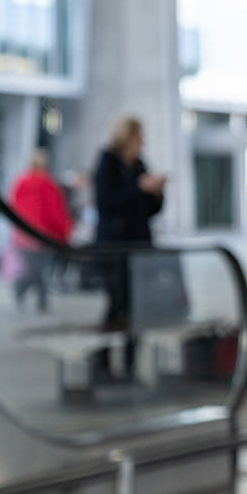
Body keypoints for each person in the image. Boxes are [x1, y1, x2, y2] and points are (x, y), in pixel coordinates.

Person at [93, 116, 165, 378]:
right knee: (117, 304)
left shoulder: (139, 165)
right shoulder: (108, 162)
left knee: (137, 306)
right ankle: (103, 361)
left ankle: (130, 364)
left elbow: (149, 210)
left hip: (139, 247)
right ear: (127, 136)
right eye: (138, 135)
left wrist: (157, 194)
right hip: (114, 248)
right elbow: (106, 202)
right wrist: (138, 188)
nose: (142, 141)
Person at [7, 148, 73, 312]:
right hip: (42, 237)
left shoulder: (20, 182)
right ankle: (30, 294)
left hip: (23, 237)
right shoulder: (48, 184)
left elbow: (12, 208)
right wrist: (65, 232)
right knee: (39, 270)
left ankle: (27, 292)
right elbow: (55, 212)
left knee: (34, 269)